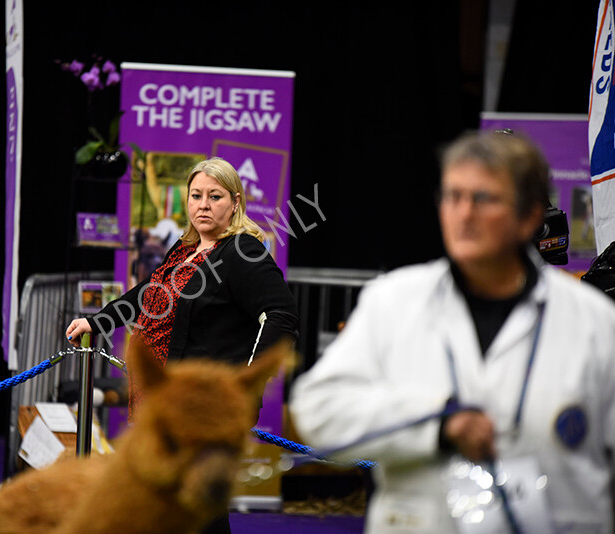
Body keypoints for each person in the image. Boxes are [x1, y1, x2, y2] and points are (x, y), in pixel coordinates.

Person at [289, 130, 615, 533]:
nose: (463, 214)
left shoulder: (593, 320)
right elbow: (318, 411)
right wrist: (437, 426)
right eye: (452, 196)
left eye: (484, 198)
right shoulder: (392, 302)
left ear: (531, 215)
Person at [66, 156, 299, 534]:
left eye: (215, 196)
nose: (203, 205)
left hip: (197, 406)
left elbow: (282, 317)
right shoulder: (185, 248)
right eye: (196, 195)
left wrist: (245, 390)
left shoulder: (243, 253)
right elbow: (148, 295)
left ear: (235, 202)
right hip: (160, 399)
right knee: (162, 503)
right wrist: (99, 319)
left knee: (197, 506)